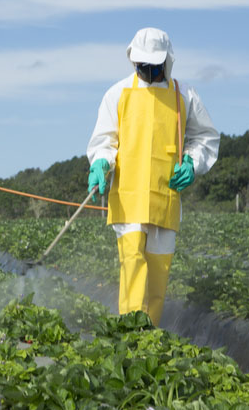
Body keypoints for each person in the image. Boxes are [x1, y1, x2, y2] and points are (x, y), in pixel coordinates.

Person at [86, 27, 218, 326]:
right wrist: (101, 164)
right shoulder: (118, 93)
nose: (147, 71)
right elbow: (104, 141)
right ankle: (130, 337)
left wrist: (192, 163)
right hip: (128, 198)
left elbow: (205, 138)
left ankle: (150, 338)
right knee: (132, 267)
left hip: (165, 196)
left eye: (153, 66)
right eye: (142, 66)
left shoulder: (184, 95)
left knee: (158, 277)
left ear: (167, 62)